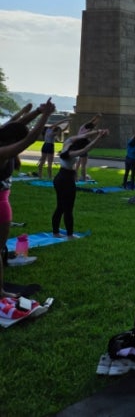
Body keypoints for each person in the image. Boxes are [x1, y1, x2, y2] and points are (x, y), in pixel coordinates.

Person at [0, 99, 55, 297]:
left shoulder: (2, 142)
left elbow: (15, 125)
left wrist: (38, 111)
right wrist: (45, 115)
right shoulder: (3, 153)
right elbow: (29, 138)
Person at [52, 127, 109, 238]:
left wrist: (98, 131)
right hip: (66, 180)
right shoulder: (72, 153)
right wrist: (99, 137)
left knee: (60, 207)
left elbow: (84, 136)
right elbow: (88, 147)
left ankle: (55, 232)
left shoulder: (68, 142)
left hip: (60, 177)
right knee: (68, 208)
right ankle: (69, 235)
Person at [74, 113, 101, 182]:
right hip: (82, 145)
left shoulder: (83, 127)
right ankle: (83, 178)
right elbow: (91, 127)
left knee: (79, 162)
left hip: (77, 145)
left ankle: (75, 177)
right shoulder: (87, 132)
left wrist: (96, 118)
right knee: (83, 164)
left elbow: (91, 122)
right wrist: (98, 131)